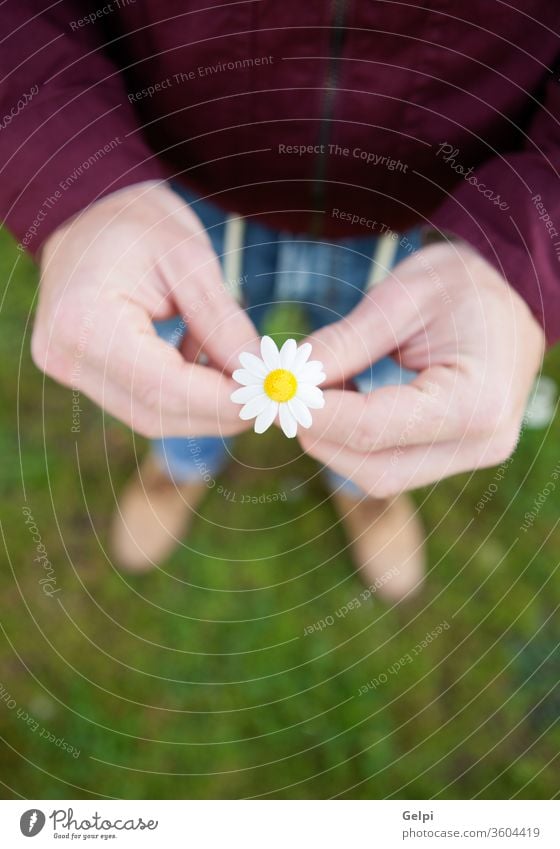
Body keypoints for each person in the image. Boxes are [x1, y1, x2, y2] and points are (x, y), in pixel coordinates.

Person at [1, 4, 554, 598]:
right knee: (185, 362)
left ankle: (365, 488)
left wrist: (527, 255)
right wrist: (71, 177)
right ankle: (182, 467)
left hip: (407, 196)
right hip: (194, 180)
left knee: (389, 375)